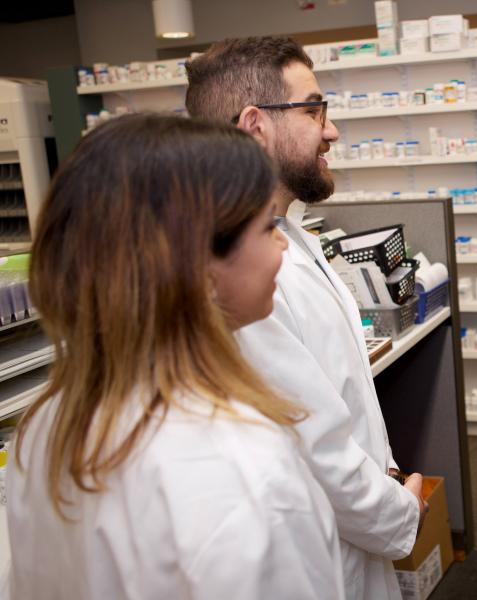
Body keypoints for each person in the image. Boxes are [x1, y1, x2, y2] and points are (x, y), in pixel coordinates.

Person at [7, 114, 345, 599]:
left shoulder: (44, 429)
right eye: (267, 225)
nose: (281, 246)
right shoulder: (247, 472)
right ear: (195, 267)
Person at [186, 37, 424, 600]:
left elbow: (334, 402)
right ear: (254, 124)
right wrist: (398, 514)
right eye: (314, 109)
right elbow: (311, 445)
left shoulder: (292, 235)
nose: (331, 129)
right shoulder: (241, 276)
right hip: (317, 550)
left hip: (347, 527)